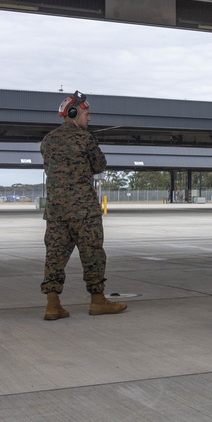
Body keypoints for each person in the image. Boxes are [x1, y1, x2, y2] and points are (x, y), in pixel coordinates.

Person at [39, 90, 127, 320]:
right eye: (87, 114)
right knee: (93, 254)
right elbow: (99, 165)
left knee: (54, 257)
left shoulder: (48, 140)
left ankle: (52, 304)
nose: (89, 119)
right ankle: (98, 301)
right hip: (83, 210)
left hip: (56, 211)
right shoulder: (85, 139)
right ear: (74, 112)